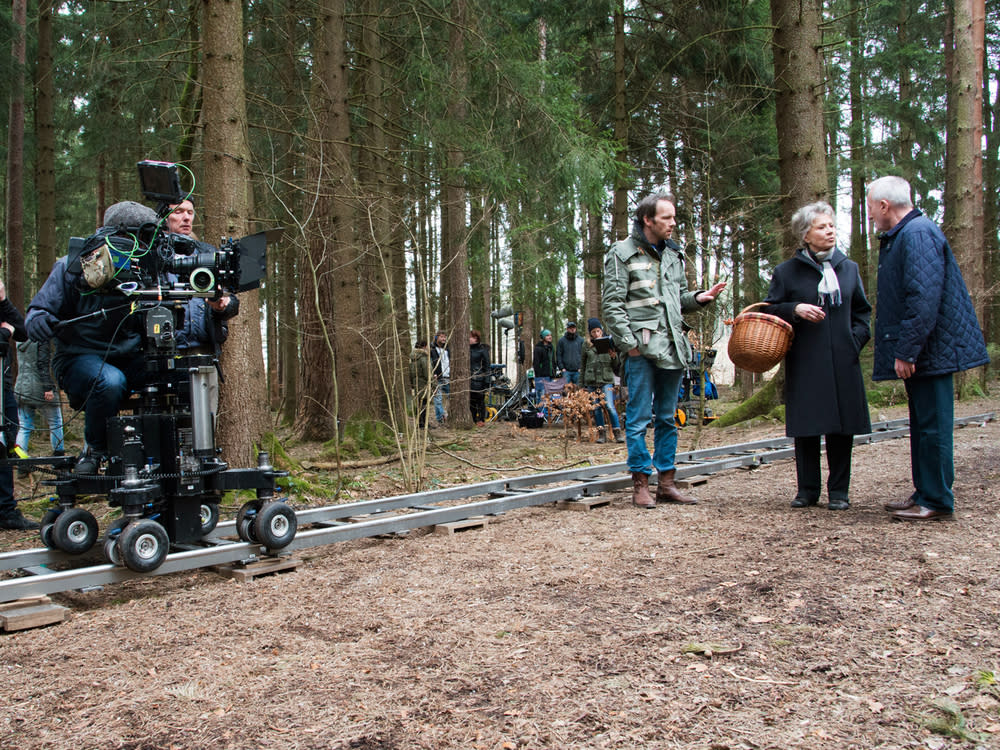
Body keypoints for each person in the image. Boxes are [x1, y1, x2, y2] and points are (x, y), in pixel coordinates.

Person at [867, 176, 989, 521]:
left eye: (871, 206)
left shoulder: (917, 234)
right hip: (926, 350)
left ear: (884, 206)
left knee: (934, 426)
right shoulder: (906, 235)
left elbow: (923, 299)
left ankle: (936, 500)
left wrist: (907, 351)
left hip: (930, 351)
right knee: (922, 424)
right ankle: (925, 492)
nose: (871, 214)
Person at [602, 193, 726, 508]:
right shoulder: (621, 253)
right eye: (667, 218)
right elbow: (612, 306)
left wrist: (698, 298)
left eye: (673, 218)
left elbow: (677, 298)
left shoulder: (673, 254)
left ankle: (667, 483)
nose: (673, 224)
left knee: (669, 417)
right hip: (640, 350)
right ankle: (641, 483)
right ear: (648, 220)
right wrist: (629, 347)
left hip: (673, 347)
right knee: (639, 417)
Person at [25, 201, 153, 475]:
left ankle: (161, 451)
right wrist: (39, 322)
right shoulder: (71, 267)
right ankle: (95, 450)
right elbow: (37, 311)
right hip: (78, 358)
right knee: (109, 381)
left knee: (176, 373)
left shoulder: (147, 269)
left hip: (129, 356)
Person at [761, 202, 872, 511]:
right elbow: (769, 309)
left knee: (841, 427)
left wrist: (854, 341)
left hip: (843, 359)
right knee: (808, 426)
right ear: (805, 235)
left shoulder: (848, 267)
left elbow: (862, 312)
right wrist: (794, 308)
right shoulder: (786, 272)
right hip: (806, 358)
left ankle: (839, 491)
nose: (830, 231)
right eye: (822, 227)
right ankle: (807, 490)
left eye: (832, 225)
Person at [165, 198, 240, 352]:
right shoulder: (155, 256)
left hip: (206, 350)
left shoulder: (210, 253)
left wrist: (222, 305)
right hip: (166, 351)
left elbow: (233, 302)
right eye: (178, 212)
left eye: (190, 212)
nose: (186, 217)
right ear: (164, 218)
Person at [0, 278, 39, 530]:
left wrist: (3, 301)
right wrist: (4, 332)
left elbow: (24, 331)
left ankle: (6, 510)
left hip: (3, 388)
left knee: (6, 441)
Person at [14, 339, 65, 457]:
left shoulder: (19, 340)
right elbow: (42, 364)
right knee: (55, 422)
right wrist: (48, 387)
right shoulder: (41, 339)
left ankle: (21, 461)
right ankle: (59, 459)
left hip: (21, 387)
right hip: (40, 387)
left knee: (24, 426)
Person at [580, 318, 623, 444]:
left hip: (606, 380)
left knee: (609, 406)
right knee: (596, 408)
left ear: (601, 330)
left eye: (598, 331)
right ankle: (601, 434)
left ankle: (617, 433)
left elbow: (616, 365)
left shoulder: (609, 342)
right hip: (591, 380)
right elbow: (582, 365)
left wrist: (614, 357)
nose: (596, 334)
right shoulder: (586, 345)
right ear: (590, 333)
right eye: (593, 332)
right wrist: (582, 385)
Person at [409, 339, 433, 429]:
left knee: (420, 403)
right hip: (423, 383)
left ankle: (421, 423)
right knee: (424, 403)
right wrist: (432, 383)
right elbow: (427, 372)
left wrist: (412, 384)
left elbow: (411, 373)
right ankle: (423, 423)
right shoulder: (423, 358)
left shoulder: (413, 358)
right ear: (424, 346)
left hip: (416, 383)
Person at [469, 329, 491, 426]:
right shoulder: (466, 349)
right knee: (471, 401)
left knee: (480, 400)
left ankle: (481, 419)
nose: (469, 339)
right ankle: (473, 419)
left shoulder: (483, 350)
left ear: (476, 338)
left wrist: (487, 380)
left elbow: (487, 366)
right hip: (468, 379)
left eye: (471, 337)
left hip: (479, 379)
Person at [430, 331, 450, 425]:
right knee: (438, 399)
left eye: (445, 337)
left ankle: (449, 416)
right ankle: (441, 418)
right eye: (442, 337)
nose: (444, 339)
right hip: (437, 377)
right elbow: (430, 363)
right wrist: (433, 373)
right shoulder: (432, 349)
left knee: (452, 397)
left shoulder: (447, 349)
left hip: (448, 376)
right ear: (436, 337)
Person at [532, 329, 556, 402]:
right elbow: (536, 364)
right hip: (541, 376)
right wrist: (539, 376)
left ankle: (548, 412)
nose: (550, 337)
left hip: (550, 375)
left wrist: (554, 371)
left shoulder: (551, 347)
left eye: (550, 335)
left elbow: (553, 361)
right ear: (543, 337)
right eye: (547, 335)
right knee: (541, 397)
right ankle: (540, 413)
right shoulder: (538, 348)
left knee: (549, 396)